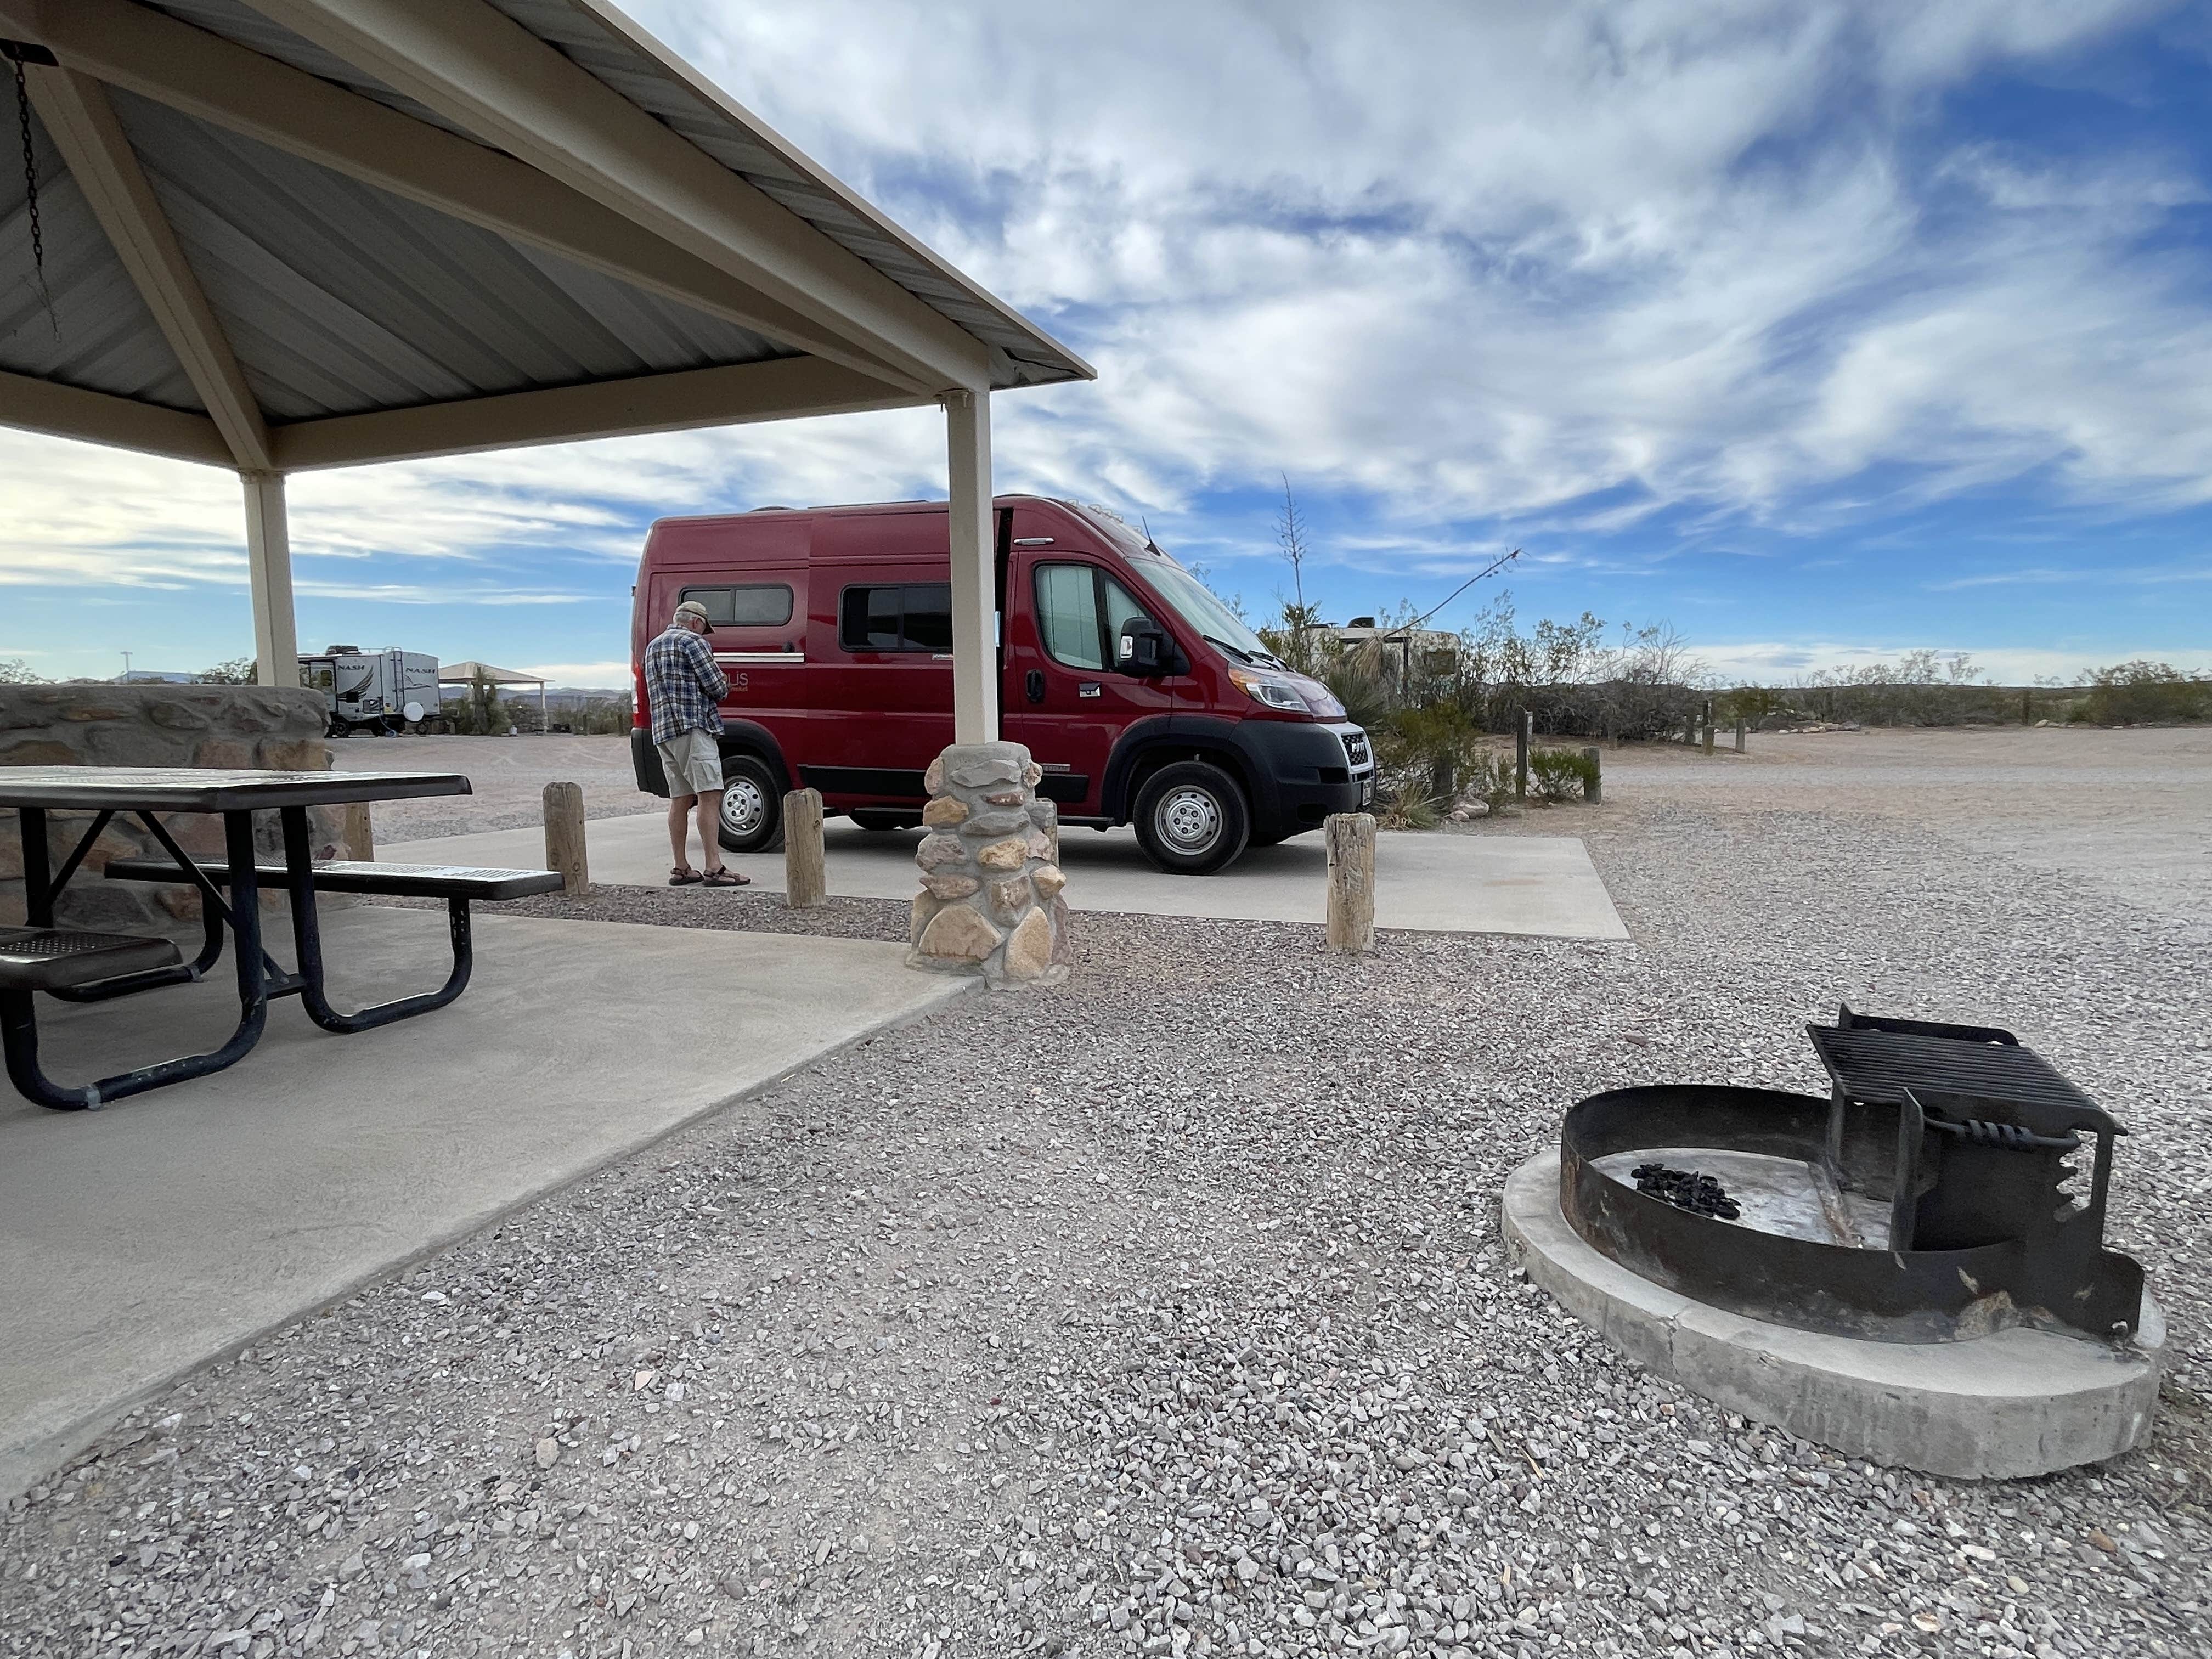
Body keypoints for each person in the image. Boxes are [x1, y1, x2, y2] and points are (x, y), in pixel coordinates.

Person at [644, 599, 748, 887]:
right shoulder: (693, 642)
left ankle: (681, 867)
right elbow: (717, 687)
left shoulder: (653, 646)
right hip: (693, 728)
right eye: (704, 628)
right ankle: (714, 867)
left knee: (680, 799)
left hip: (664, 732)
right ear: (696, 623)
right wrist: (725, 682)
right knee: (710, 794)